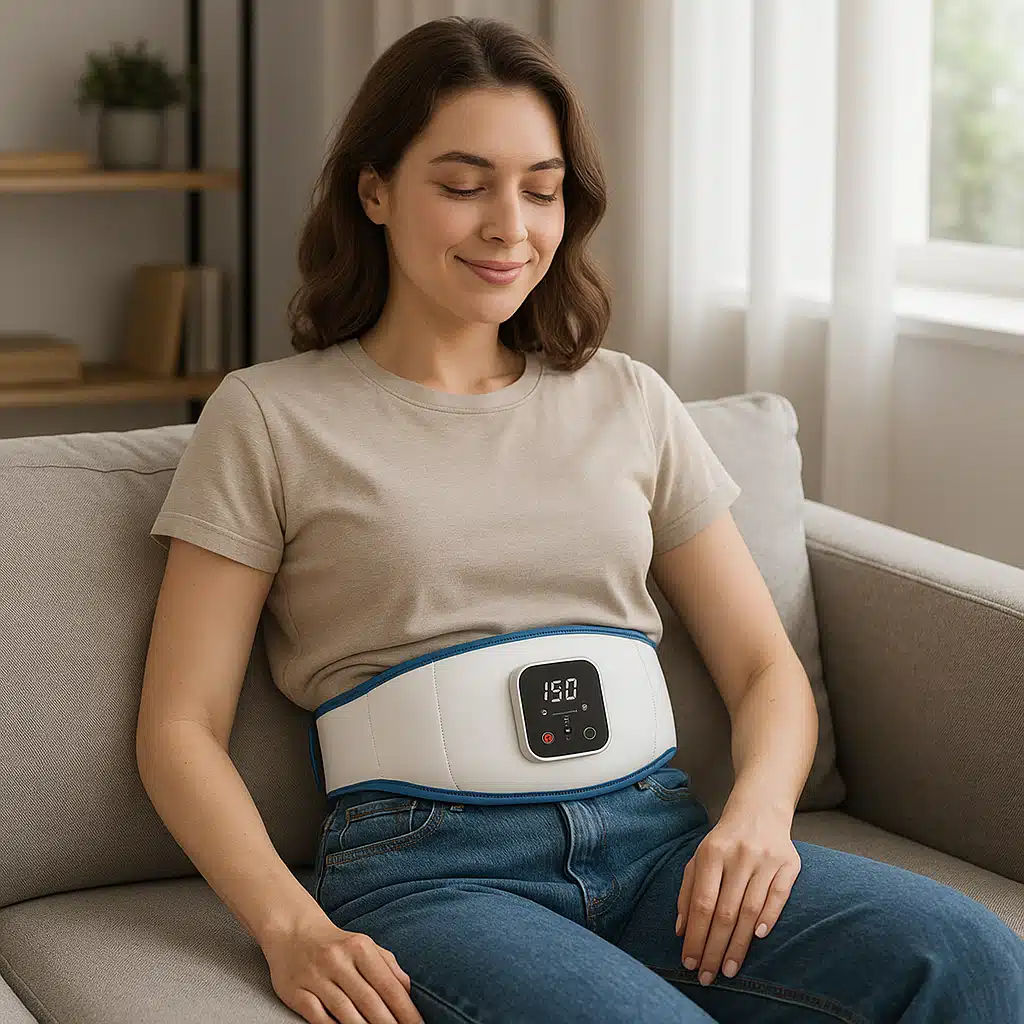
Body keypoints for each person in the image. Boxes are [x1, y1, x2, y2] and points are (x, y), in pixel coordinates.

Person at [138, 15, 1024, 1024]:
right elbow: (178, 725)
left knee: (971, 957)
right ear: (373, 190)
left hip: (656, 841)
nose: (508, 225)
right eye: (462, 184)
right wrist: (289, 925)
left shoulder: (630, 400)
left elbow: (763, 668)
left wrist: (758, 818)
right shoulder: (268, 416)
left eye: (541, 188)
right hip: (437, 875)